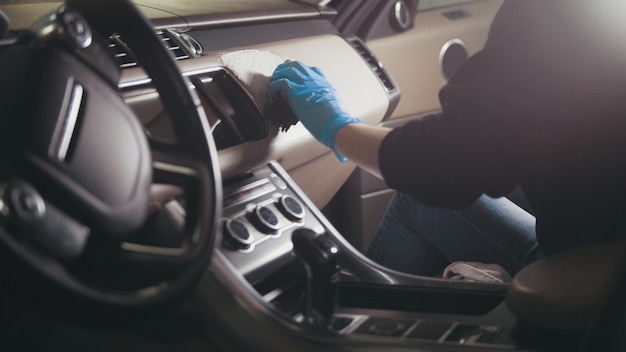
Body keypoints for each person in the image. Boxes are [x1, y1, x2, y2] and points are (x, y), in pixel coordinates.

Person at [268, 0, 626, 277]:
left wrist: (336, 126)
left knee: (420, 199)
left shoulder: (555, 14)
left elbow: (449, 163)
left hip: (596, 277)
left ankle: (365, 326)